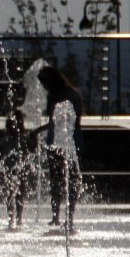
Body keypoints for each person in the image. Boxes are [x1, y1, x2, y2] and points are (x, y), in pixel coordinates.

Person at [35, 65, 85, 231]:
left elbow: (67, 123)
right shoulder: (63, 95)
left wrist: (37, 131)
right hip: (61, 144)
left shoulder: (67, 95)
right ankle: (60, 217)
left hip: (63, 144)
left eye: (44, 83)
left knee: (65, 181)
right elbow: (57, 123)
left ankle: (65, 217)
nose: (43, 86)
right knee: (62, 181)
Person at [1, 109, 34, 229]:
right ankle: (13, 219)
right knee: (13, 194)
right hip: (13, 170)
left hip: (18, 169)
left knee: (17, 194)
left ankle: (17, 218)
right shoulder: (9, 140)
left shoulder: (22, 139)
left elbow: (29, 152)